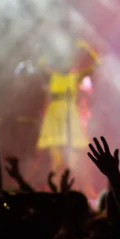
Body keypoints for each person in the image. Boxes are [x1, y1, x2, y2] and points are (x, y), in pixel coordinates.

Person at [36, 39, 99, 189]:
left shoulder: (74, 77)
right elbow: (40, 64)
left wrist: (87, 48)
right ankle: (57, 190)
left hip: (70, 116)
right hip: (54, 116)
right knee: (56, 161)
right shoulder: (52, 75)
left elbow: (96, 65)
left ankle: (73, 190)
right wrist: (47, 49)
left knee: (73, 160)